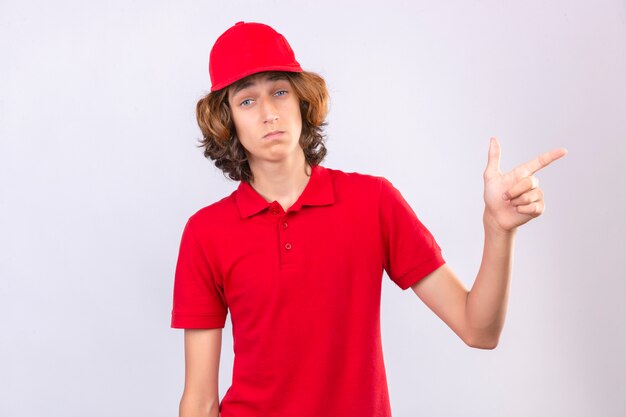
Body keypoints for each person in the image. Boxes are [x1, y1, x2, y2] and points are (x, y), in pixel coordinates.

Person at [170, 21, 568, 417]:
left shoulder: (372, 202)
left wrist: (497, 229)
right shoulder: (206, 233)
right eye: (247, 101)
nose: (269, 112)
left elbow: (479, 330)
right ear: (227, 120)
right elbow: (201, 402)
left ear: (302, 102)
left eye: (279, 91)